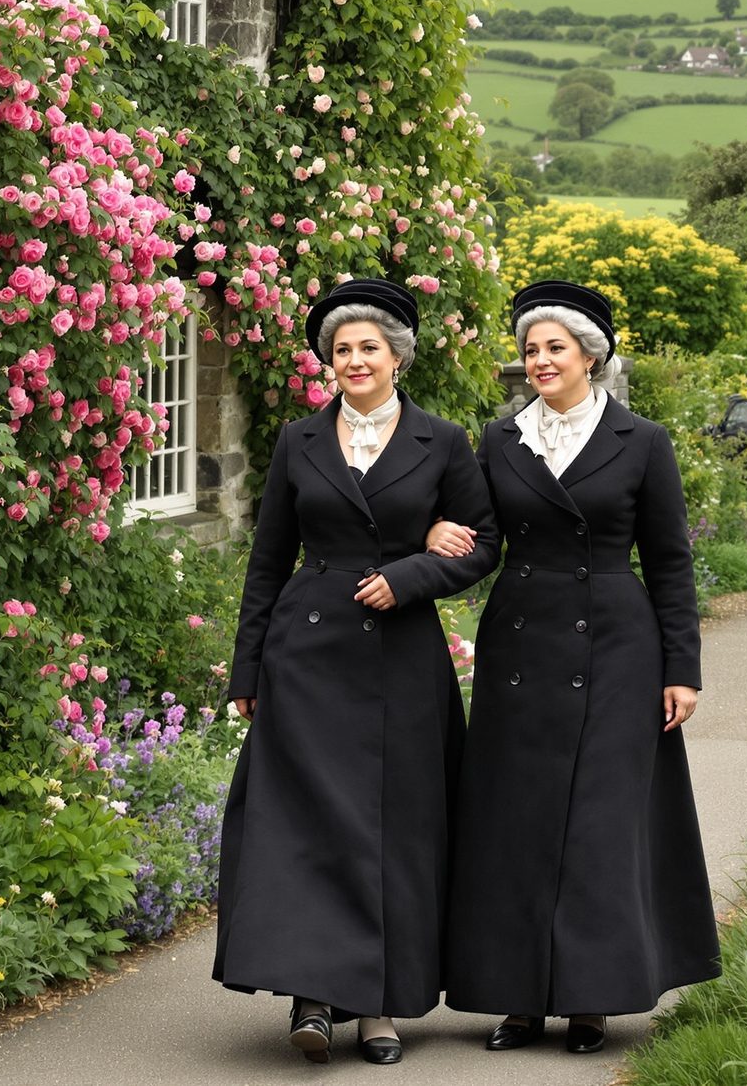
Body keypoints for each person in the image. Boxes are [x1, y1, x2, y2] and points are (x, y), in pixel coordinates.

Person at [212, 278, 499, 1067]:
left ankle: (379, 1005)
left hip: (403, 659)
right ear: (329, 363)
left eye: (369, 346)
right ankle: (313, 997)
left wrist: (410, 576)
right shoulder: (299, 442)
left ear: (397, 357)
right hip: (305, 658)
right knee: (309, 828)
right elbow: (267, 561)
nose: (355, 360)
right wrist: (248, 669)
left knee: (394, 831)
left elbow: (483, 543)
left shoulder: (442, 443)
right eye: (342, 350)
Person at [432, 280, 720, 1053]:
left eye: (555, 347)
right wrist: (434, 539)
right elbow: (482, 538)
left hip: (618, 650)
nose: (540, 361)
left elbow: (669, 562)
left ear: (590, 355)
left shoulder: (642, 441)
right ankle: (518, 1001)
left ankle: (591, 1000)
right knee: (513, 824)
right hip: (520, 648)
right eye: (530, 350)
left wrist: (681, 668)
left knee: (600, 827)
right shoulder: (500, 441)